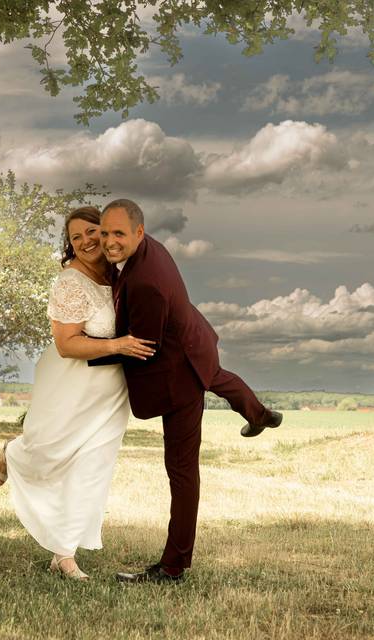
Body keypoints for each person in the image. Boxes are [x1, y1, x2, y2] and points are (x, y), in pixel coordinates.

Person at [95, 198, 283, 585]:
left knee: (181, 472)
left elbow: (141, 348)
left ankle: (173, 566)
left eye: (118, 234)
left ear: (138, 233)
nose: (109, 241)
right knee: (215, 375)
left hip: (177, 370)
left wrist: (89, 356)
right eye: (105, 232)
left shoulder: (145, 282)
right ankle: (259, 414)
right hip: (192, 342)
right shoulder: (148, 249)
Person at [0, 206, 155, 580]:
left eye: (91, 232)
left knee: (92, 468)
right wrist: (119, 346)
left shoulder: (120, 276)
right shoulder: (69, 282)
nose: (85, 242)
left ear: (108, 232)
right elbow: (66, 344)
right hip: (69, 382)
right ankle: (13, 453)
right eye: (75, 237)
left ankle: (64, 555)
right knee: (48, 453)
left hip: (111, 391)